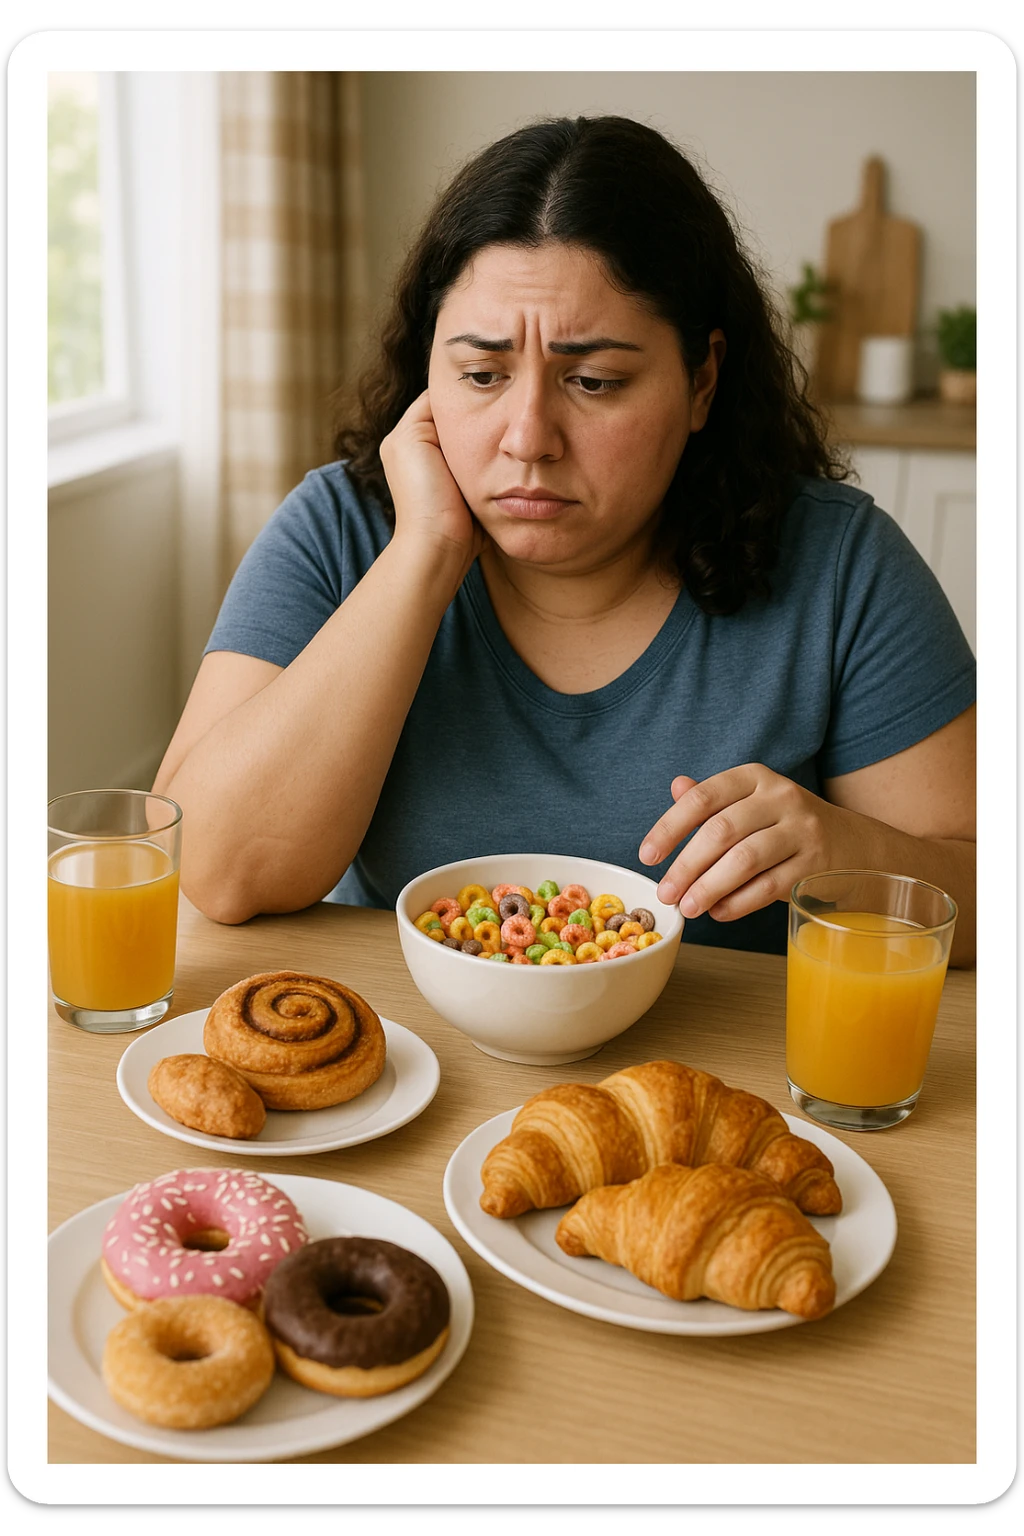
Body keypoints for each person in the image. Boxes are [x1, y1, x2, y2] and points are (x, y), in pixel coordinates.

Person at [153, 114, 976, 965]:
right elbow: (207, 871)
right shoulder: (342, 528)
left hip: (728, 1078)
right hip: (416, 1070)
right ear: (427, 370)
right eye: (481, 376)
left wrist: (855, 857)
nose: (528, 437)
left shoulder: (842, 566)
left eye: (593, 381)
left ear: (701, 382)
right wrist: (424, 556)